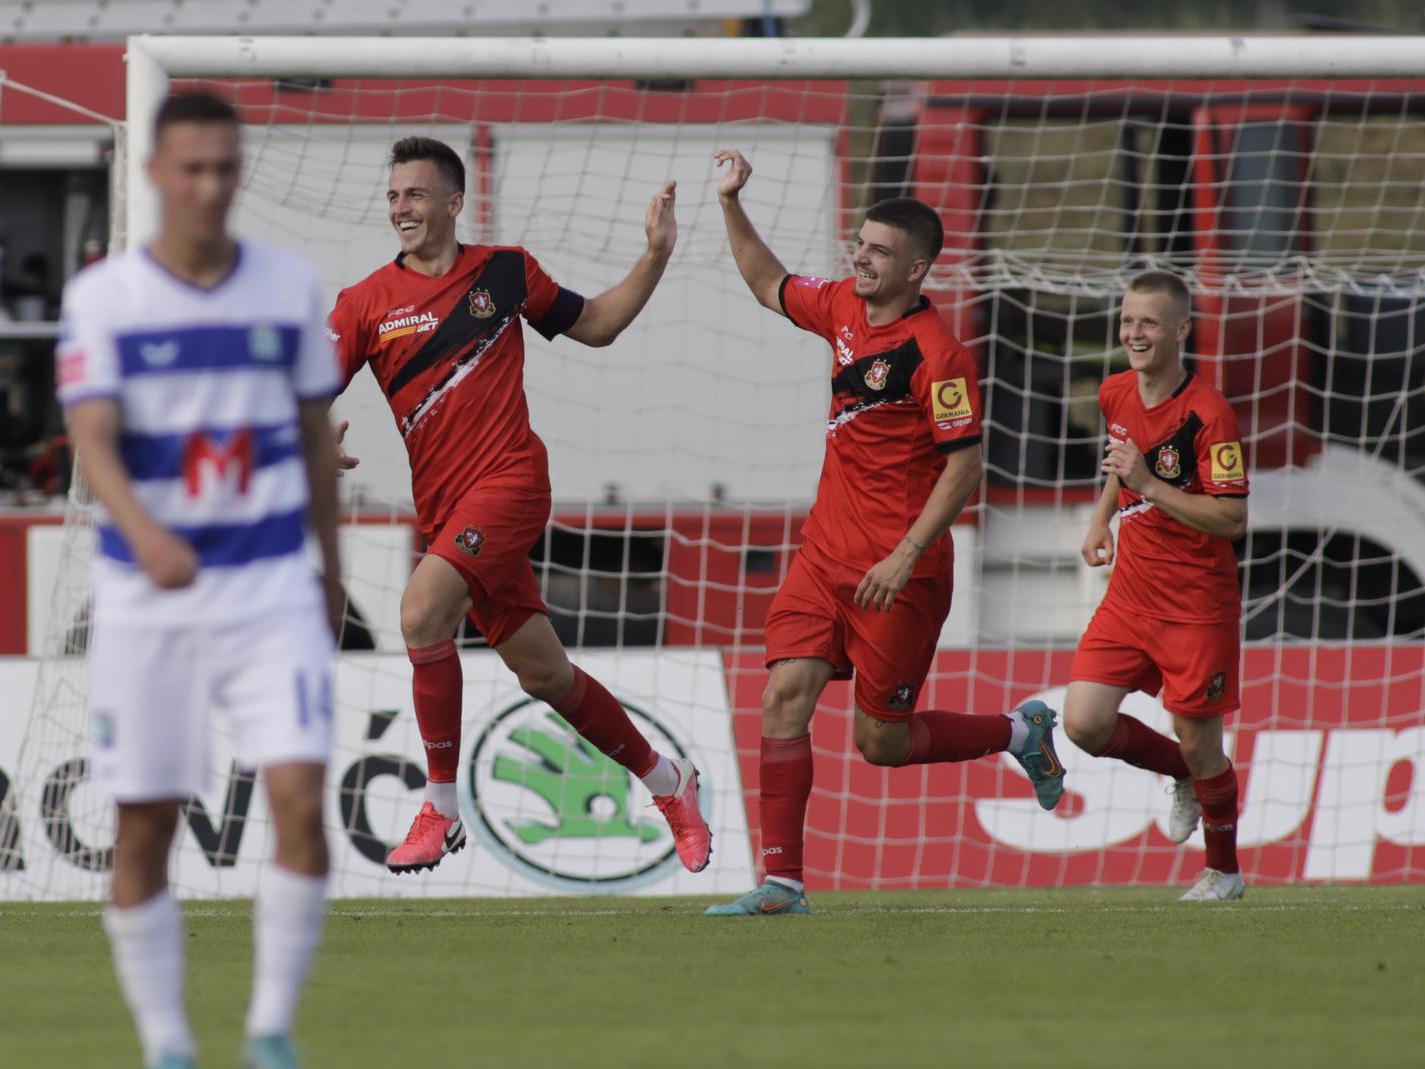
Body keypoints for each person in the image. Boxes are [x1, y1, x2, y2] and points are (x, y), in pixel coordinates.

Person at [326, 137, 710, 875]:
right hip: (445, 511)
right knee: (546, 675)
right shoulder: (363, 303)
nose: (401, 208)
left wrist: (656, 255)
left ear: (453, 202)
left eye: (415, 194)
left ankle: (441, 806)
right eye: (393, 196)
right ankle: (672, 783)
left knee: (418, 613)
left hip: (510, 483)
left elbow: (596, 324)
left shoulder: (504, 272)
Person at [57, 92, 342, 1069]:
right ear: (154, 174)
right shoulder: (106, 299)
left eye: (225, 168)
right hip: (150, 598)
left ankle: (268, 1030)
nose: (211, 186)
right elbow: (92, 443)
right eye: (191, 169)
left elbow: (312, 442)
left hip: (269, 588)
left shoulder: (288, 288)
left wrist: (329, 579)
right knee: (143, 826)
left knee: (303, 799)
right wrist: (147, 536)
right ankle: (169, 1043)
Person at [704, 149, 1065, 917]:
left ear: (918, 269)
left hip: (903, 571)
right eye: (860, 245)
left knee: (881, 743)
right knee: (782, 697)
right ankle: (783, 883)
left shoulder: (939, 358)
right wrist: (731, 202)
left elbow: (965, 469)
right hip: (824, 556)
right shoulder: (839, 305)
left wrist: (904, 554)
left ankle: (1017, 732)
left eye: (878, 251)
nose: (859, 258)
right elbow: (767, 281)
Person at [1061, 270, 1249, 902]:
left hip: (1197, 605)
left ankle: (1224, 871)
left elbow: (1231, 518)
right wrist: (1099, 519)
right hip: (1131, 597)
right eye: (1127, 320)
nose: (1133, 333)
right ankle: (1185, 776)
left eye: (1148, 322)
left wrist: (1148, 487)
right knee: (1083, 722)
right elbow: (1122, 461)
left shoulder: (1209, 413)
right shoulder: (1115, 392)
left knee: (1202, 742)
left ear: (1180, 331)